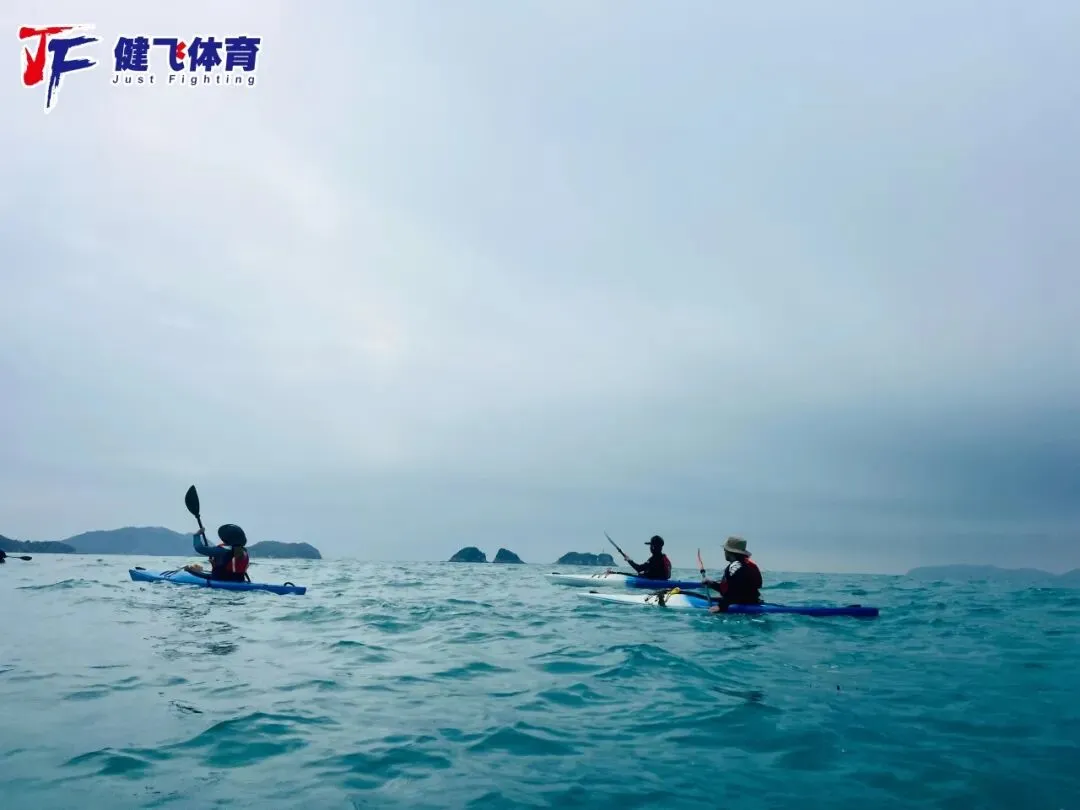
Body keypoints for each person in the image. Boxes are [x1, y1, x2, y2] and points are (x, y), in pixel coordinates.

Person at [701, 536, 762, 613]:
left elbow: (736, 592)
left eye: (725, 550)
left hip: (740, 605)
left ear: (730, 552)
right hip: (753, 601)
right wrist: (711, 583)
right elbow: (732, 588)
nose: (724, 552)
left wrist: (721, 606)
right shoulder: (746, 564)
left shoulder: (734, 567)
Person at [184, 523, 250, 582]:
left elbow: (199, 548)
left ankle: (188, 570)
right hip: (239, 580)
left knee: (188, 569)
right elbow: (232, 566)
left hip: (219, 579)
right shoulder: (244, 551)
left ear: (224, 539)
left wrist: (197, 535)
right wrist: (215, 565)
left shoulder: (222, 550)